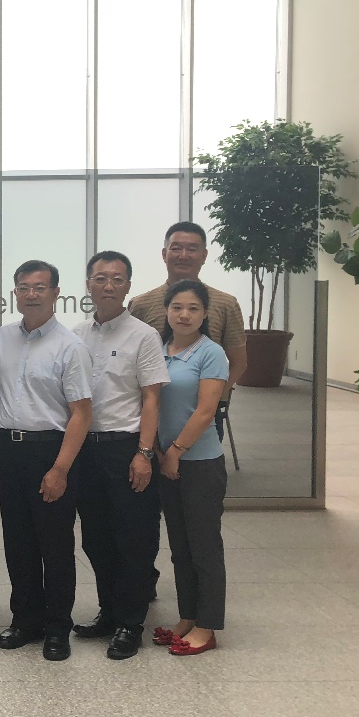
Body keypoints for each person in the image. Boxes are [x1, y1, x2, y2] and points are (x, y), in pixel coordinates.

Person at [128, 221, 245, 598]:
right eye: (175, 247)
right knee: (152, 518)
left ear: (204, 255)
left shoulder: (224, 303)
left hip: (199, 429)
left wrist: (208, 403)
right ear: (164, 253)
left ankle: (203, 613)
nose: (183, 254)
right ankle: (147, 590)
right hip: (150, 431)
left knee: (199, 526)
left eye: (192, 248)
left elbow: (238, 361)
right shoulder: (142, 304)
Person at [71, 252, 170, 660]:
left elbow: (152, 399)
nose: (108, 285)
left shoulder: (143, 336)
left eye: (117, 278)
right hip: (86, 450)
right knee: (96, 538)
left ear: (128, 286)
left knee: (133, 538)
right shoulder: (77, 334)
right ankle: (109, 612)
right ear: (88, 285)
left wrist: (144, 453)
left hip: (126, 449)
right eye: (100, 278)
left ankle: (131, 623)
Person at [0, 260, 92, 662]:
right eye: (23, 287)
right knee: (17, 542)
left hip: (50, 451)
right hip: (9, 450)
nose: (31, 294)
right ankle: (25, 620)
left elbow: (81, 413)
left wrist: (60, 469)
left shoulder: (70, 346)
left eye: (39, 287)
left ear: (55, 293)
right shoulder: (2, 337)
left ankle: (57, 627)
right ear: (14, 292)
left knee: (55, 545)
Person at [154, 280, 230, 657]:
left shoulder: (211, 352)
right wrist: (158, 453)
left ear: (204, 314)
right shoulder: (158, 349)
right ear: (167, 311)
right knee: (180, 547)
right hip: (165, 461)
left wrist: (175, 452)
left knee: (204, 547)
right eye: (177, 307)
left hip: (199, 464)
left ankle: (208, 625)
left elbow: (205, 410)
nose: (184, 315)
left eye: (193, 308)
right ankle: (188, 616)